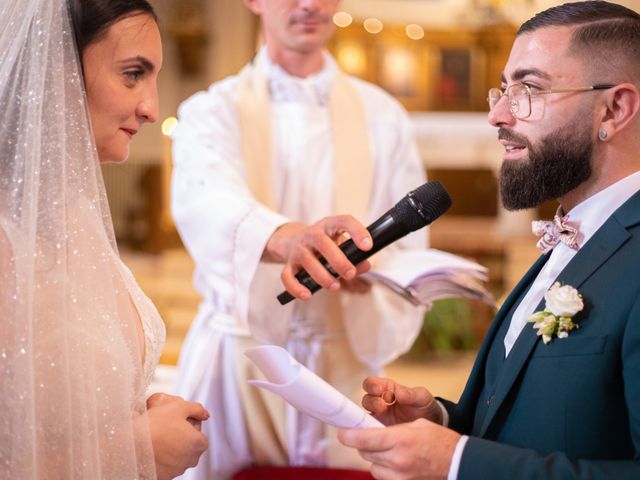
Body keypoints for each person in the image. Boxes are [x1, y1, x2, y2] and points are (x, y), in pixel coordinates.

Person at [338, 1, 640, 479]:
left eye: (529, 89)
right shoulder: (574, 234)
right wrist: (445, 423)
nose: (497, 114)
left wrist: (456, 462)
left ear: (614, 108)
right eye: (502, 90)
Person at [170, 0, 428, 477]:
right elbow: (206, 202)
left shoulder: (383, 115)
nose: (309, 4)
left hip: (343, 358)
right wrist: (287, 239)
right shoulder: (212, 110)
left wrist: (372, 275)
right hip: (240, 360)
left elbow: (412, 243)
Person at [0, 0, 209, 478]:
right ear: (55, 72)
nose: (152, 108)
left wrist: (138, 415)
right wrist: (136, 447)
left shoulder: (74, 214)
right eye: (133, 74)